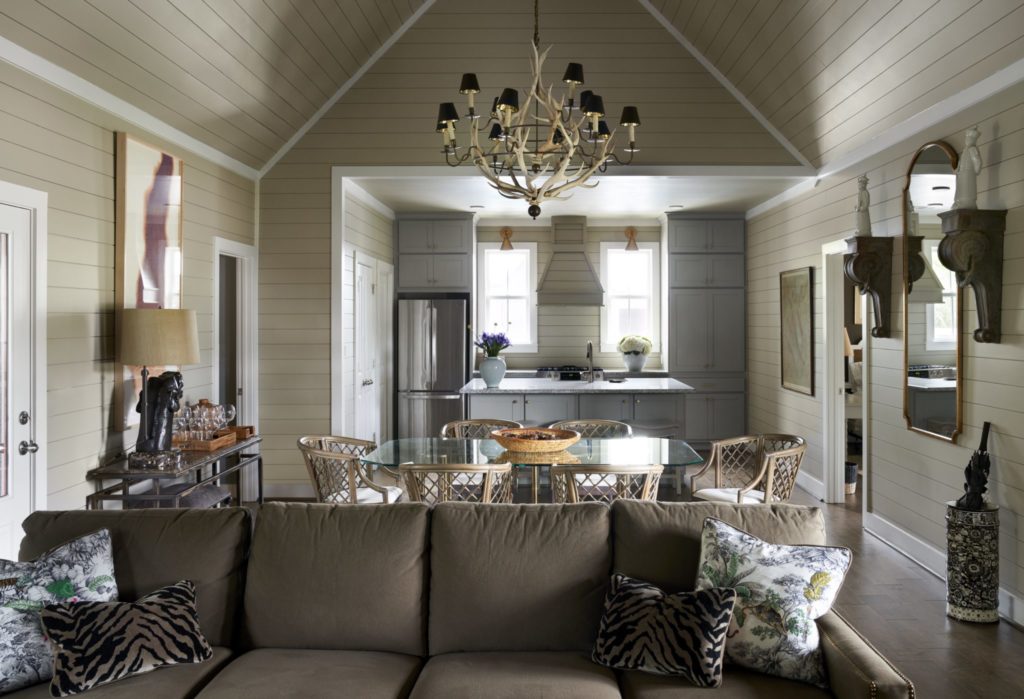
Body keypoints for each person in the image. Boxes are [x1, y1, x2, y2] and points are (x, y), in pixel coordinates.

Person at [953, 126, 982, 209]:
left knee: (967, 189)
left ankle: (967, 203)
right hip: (962, 173)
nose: (967, 140)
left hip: (969, 173)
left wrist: (975, 171)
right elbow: (960, 162)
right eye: (967, 138)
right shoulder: (964, 150)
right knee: (961, 188)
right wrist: (957, 170)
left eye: (969, 138)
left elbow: (977, 161)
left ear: (973, 140)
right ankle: (959, 202)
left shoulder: (973, 149)